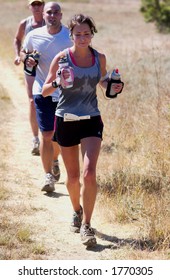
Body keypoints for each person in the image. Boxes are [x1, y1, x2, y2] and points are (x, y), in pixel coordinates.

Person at [42, 14, 123, 246]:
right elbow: (46, 91)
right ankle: (76, 210)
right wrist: (58, 82)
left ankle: (87, 225)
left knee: (89, 174)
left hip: (91, 119)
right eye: (78, 34)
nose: (82, 37)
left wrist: (113, 85)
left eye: (86, 33)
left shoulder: (99, 57)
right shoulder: (61, 58)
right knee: (73, 177)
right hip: (66, 120)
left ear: (92, 34)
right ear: (71, 35)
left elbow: (103, 81)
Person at [20, 2, 73, 192]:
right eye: (49, 12)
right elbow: (24, 52)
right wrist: (28, 58)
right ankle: (48, 176)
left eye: (56, 12)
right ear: (43, 14)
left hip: (65, 93)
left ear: (61, 15)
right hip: (42, 89)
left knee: (58, 137)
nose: (52, 15)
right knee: (47, 134)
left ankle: (55, 159)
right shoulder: (34, 35)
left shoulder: (69, 35)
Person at [13, 0, 46, 155]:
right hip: (30, 66)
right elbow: (17, 40)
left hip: (47, 67)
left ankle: (51, 136)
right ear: (29, 7)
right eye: (34, 4)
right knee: (33, 100)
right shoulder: (24, 23)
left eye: (39, 4)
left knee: (50, 99)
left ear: (44, 6)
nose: (37, 7)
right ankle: (35, 139)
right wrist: (18, 55)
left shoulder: (50, 21)